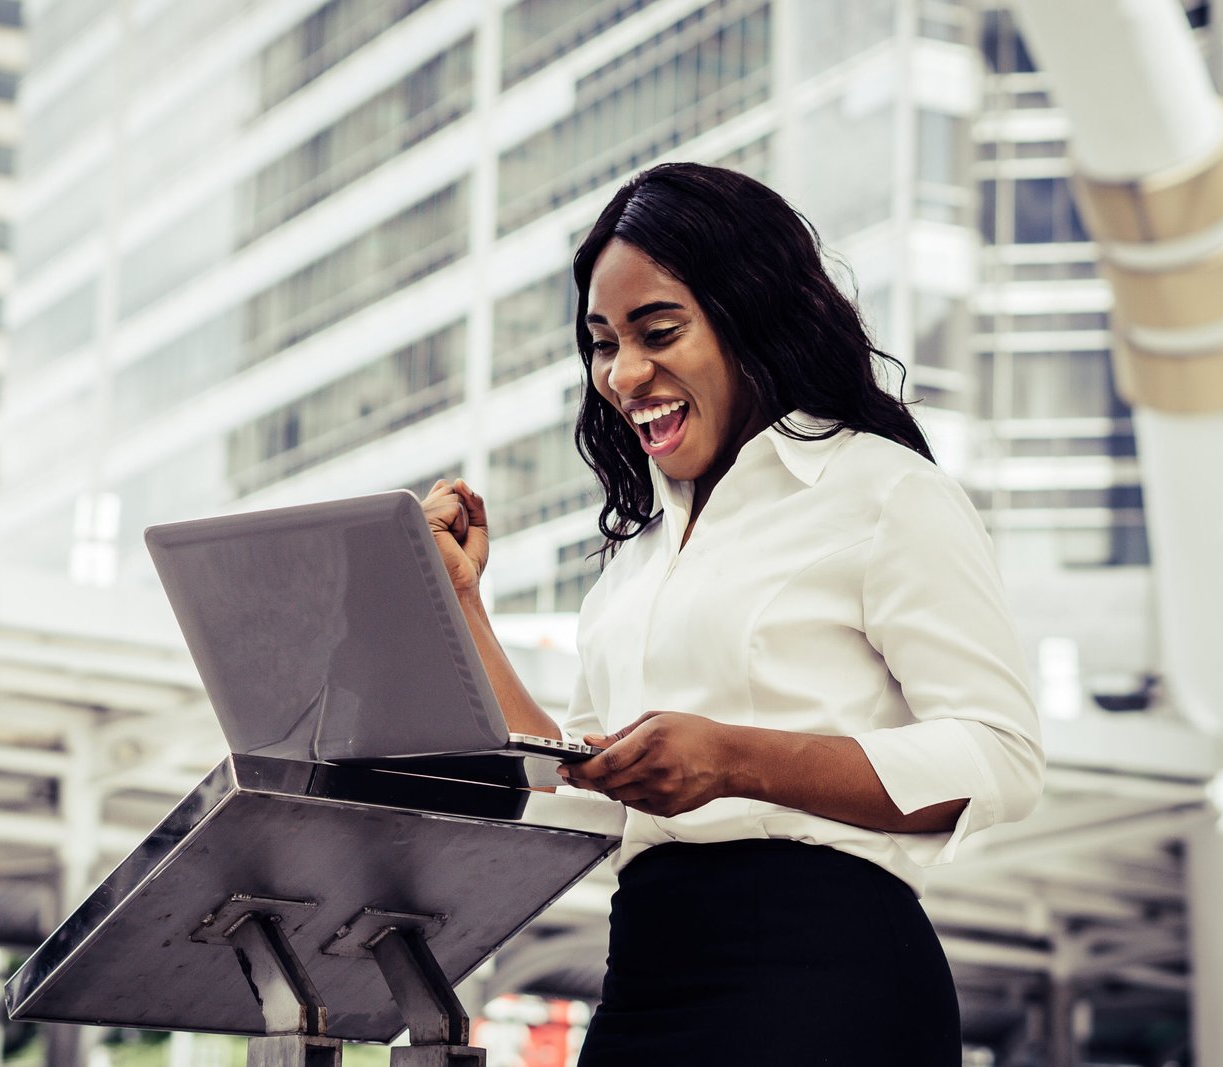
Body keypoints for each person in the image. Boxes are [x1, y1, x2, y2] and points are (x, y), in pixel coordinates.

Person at [422, 162, 1044, 1066]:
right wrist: (463, 605)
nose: (624, 373)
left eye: (658, 329)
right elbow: (578, 789)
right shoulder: (634, 561)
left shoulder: (883, 490)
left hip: (827, 978)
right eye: (601, 342)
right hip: (642, 983)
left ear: (752, 313)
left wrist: (734, 759)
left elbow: (1002, 754)